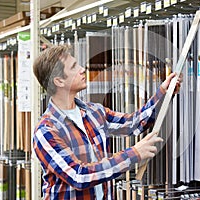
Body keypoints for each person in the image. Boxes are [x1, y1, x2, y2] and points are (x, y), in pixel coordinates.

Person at [32, 45, 182, 200]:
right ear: (59, 81)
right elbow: (78, 176)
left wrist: (163, 92)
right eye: (74, 67)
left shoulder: (94, 112)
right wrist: (134, 154)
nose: (82, 69)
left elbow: (134, 123)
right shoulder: (46, 131)